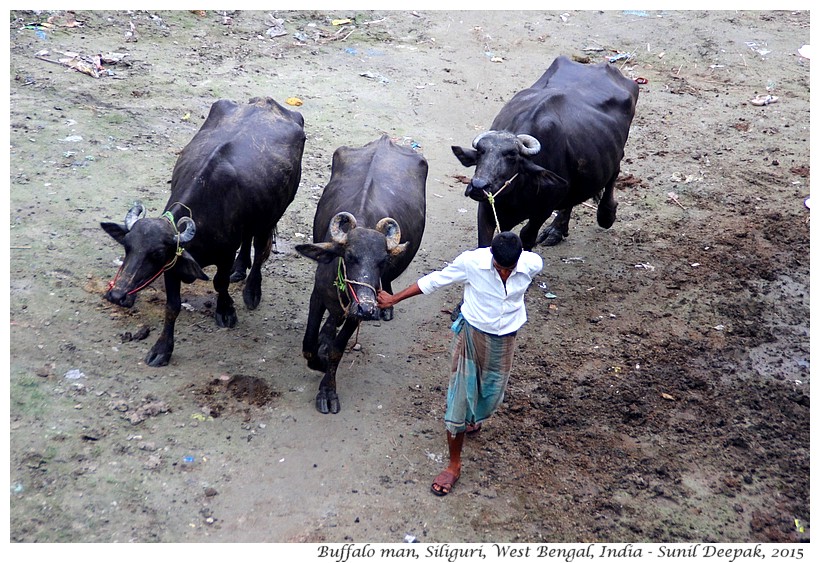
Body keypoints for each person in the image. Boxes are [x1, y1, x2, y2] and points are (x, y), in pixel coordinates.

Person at [377, 231, 543, 496]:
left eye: (509, 269)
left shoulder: (532, 264)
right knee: (459, 402)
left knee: (491, 396)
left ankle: (474, 418)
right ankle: (454, 465)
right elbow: (435, 281)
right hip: (471, 336)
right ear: (492, 258)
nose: (504, 274)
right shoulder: (471, 262)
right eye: (500, 268)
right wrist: (394, 298)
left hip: (505, 341)